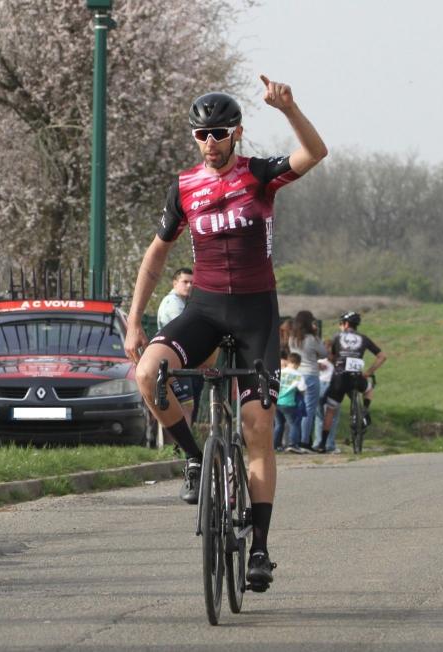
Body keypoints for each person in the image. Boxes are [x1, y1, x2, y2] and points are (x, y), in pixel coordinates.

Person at [124, 76, 327, 591]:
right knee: (148, 374)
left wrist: (289, 108)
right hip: (206, 309)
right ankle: (195, 459)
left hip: (256, 314)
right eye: (201, 134)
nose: (210, 142)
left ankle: (259, 548)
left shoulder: (259, 175)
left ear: (236, 133)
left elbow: (315, 153)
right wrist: (134, 320)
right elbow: (156, 256)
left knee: (257, 427)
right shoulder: (184, 187)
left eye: (218, 133)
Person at [318, 311, 386, 452]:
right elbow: (382, 356)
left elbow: (331, 355)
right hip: (357, 377)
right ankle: (364, 411)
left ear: (346, 324)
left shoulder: (337, 337)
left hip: (339, 378)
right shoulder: (364, 338)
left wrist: (336, 361)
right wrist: (369, 372)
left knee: (330, 411)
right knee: (369, 389)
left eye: (341, 323)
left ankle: (322, 444)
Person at [156, 268, 196, 426]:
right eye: (185, 282)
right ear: (174, 283)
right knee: (185, 406)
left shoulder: (178, 302)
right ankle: (182, 441)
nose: (189, 285)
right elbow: (186, 330)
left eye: (192, 282)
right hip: (174, 359)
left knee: (174, 407)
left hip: (170, 359)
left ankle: (176, 441)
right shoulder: (174, 303)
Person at [287, 310, 326, 452]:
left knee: (297, 408)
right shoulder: (312, 339)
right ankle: (304, 441)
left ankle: (293, 441)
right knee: (308, 409)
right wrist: (316, 335)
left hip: (296, 374)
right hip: (310, 375)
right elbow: (324, 353)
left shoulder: (292, 339)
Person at [275, 352, 309, 453]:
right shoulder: (298, 375)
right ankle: (292, 444)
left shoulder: (280, 372)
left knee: (279, 424)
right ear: (298, 363)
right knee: (293, 424)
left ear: (288, 361)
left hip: (277, 401)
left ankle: (275, 445)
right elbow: (302, 389)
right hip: (288, 402)